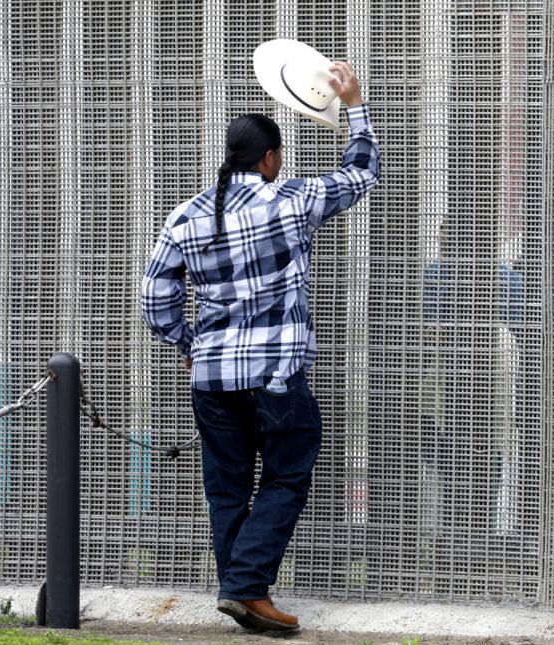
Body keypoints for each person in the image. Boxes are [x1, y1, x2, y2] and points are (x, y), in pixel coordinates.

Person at [140, 61, 379, 631]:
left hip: (213, 379)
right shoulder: (292, 201)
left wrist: (190, 343)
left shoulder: (186, 217)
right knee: (287, 475)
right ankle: (247, 587)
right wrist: (353, 105)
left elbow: (154, 296)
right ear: (269, 159)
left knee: (226, 489)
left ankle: (241, 594)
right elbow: (361, 173)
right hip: (276, 376)